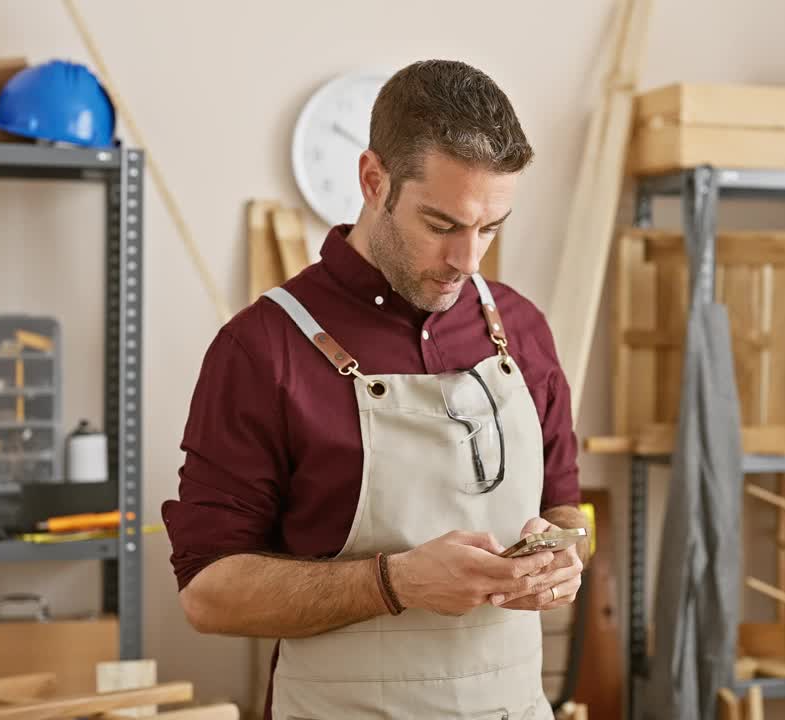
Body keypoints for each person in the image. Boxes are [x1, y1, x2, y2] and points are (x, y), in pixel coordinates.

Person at [162, 58, 589, 720]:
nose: (467, 260)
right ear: (373, 179)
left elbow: (565, 509)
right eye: (442, 225)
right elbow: (209, 595)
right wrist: (396, 583)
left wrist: (562, 559)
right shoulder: (262, 349)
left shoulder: (522, 330)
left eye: (490, 227)